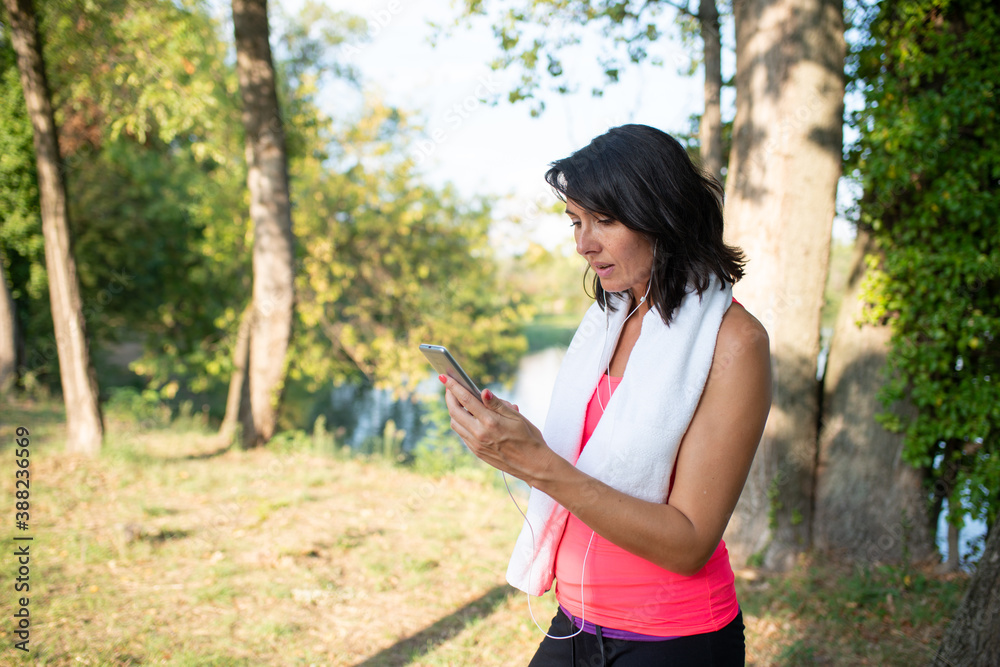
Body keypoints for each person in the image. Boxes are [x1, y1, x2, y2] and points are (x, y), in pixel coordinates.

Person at [440, 124, 771, 666]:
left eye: (605, 220)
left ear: (662, 213)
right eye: (576, 221)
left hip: (672, 640)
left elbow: (690, 544)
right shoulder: (611, 319)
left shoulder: (734, 342)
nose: (583, 243)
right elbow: (592, 460)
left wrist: (537, 464)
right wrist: (512, 441)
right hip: (576, 622)